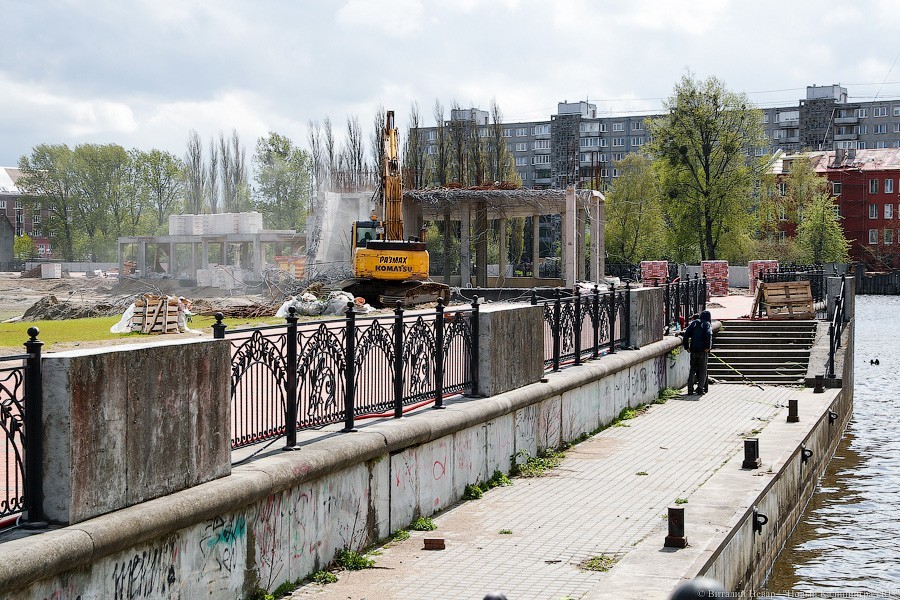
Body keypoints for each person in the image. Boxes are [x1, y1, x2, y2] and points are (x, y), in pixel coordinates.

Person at [683, 310, 713, 396]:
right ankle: (700, 389)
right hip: (702, 350)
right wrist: (708, 347)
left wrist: (686, 347)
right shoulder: (707, 324)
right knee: (702, 370)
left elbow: (686, 335)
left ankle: (690, 389)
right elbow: (708, 334)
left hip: (693, 350)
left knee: (692, 369)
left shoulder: (694, 323)